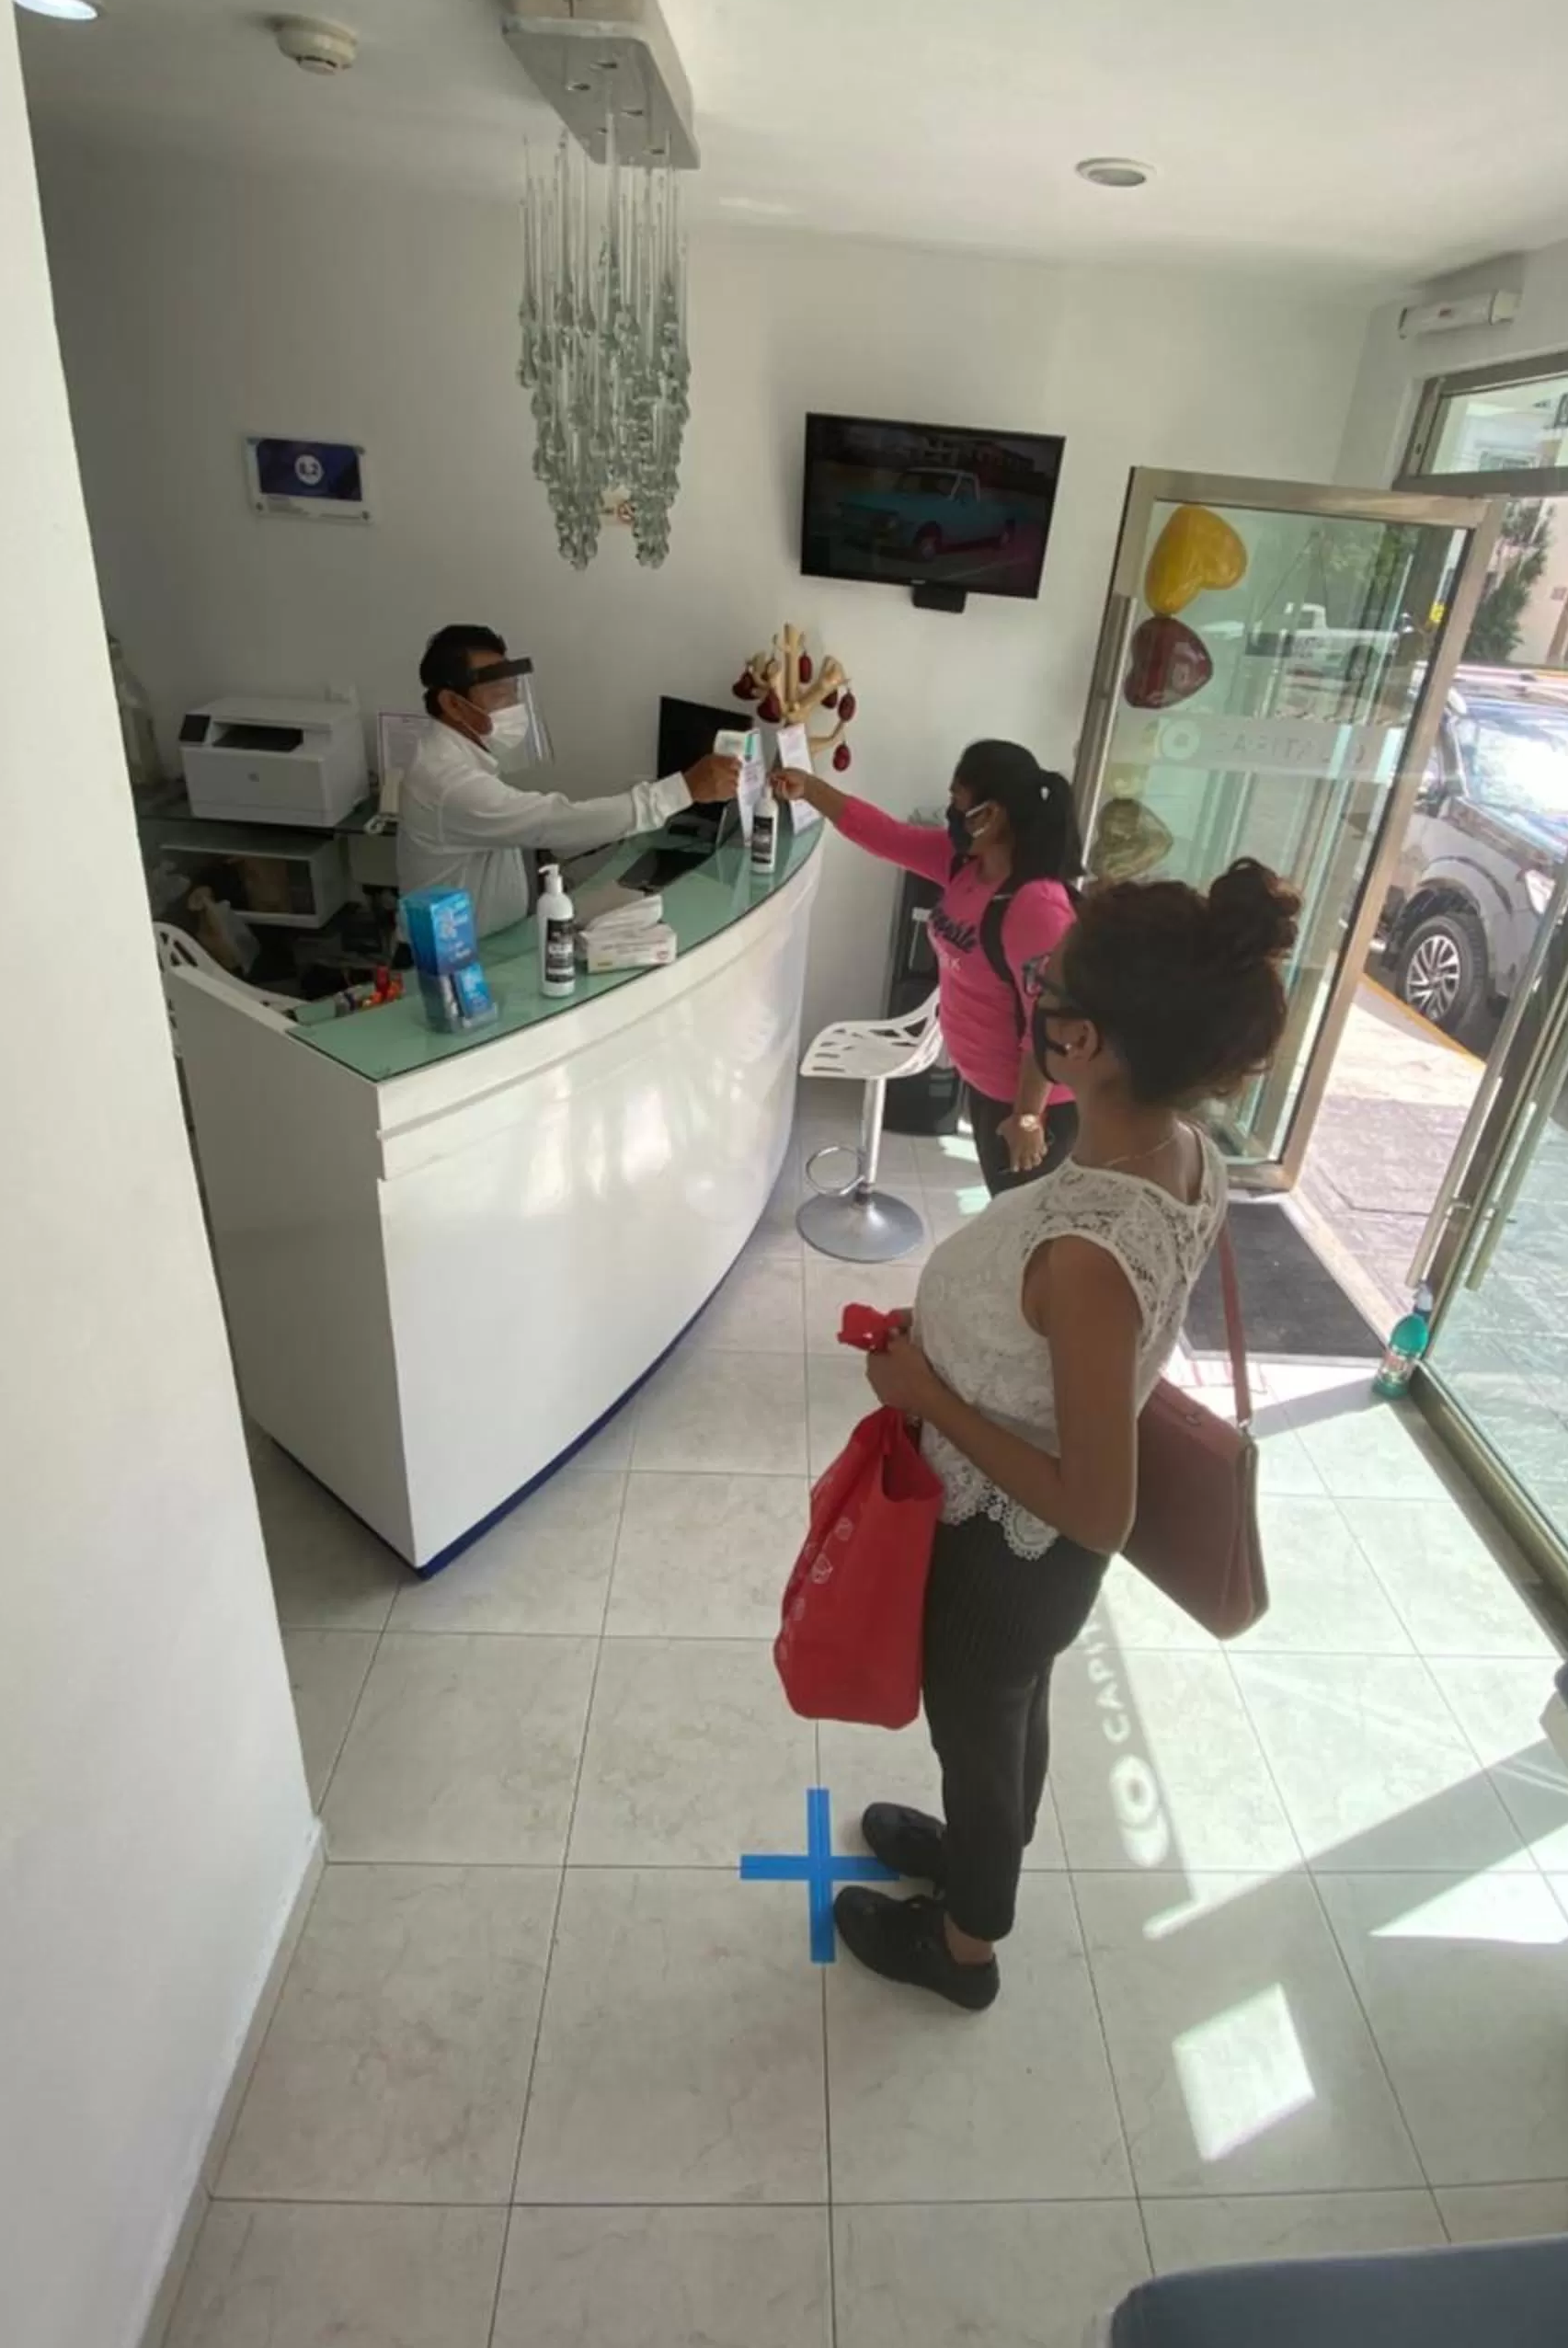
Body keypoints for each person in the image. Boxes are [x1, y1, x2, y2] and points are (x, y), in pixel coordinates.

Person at [833, 858, 1300, 2010]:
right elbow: (1062, 1352)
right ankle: (975, 1853)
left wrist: (930, 1398)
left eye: (1045, 988)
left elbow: (1099, 1507)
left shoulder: (1094, 1249)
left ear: (1084, 1039)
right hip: (1023, 1537)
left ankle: (965, 1943)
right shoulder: (1177, 1147)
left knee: (981, 1734)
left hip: (1014, 1548)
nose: (1030, 997)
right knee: (1008, 1715)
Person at [770, 739, 1082, 1191]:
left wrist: (1029, 1117)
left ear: (991, 814)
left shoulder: (1036, 909)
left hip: (1033, 1104)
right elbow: (885, 835)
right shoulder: (964, 866)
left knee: (1023, 1236)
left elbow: (1049, 1022)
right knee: (1011, 1224)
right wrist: (811, 789)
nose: (950, 811)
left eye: (957, 800)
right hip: (988, 1086)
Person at [396, 624, 739, 936]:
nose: (514, 706)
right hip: (443, 961)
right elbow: (551, 820)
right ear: (452, 704)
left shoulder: (462, 756)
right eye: (499, 696)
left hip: (483, 945)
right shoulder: (448, 782)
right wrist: (682, 790)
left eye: (514, 693)